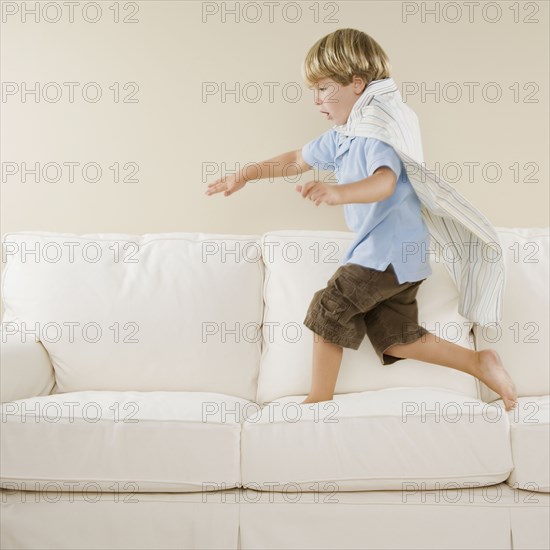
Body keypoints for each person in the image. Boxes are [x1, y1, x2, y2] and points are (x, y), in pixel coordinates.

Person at [205, 28, 518, 412]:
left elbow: (384, 182)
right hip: (402, 257)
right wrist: (246, 174)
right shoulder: (343, 136)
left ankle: (319, 399)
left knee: (328, 308)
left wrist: (339, 192)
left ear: (357, 84)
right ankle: (477, 361)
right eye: (314, 91)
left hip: (386, 252)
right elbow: (294, 159)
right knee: (396, 337)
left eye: (324, 88)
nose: (317, 100)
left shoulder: (374, 135)